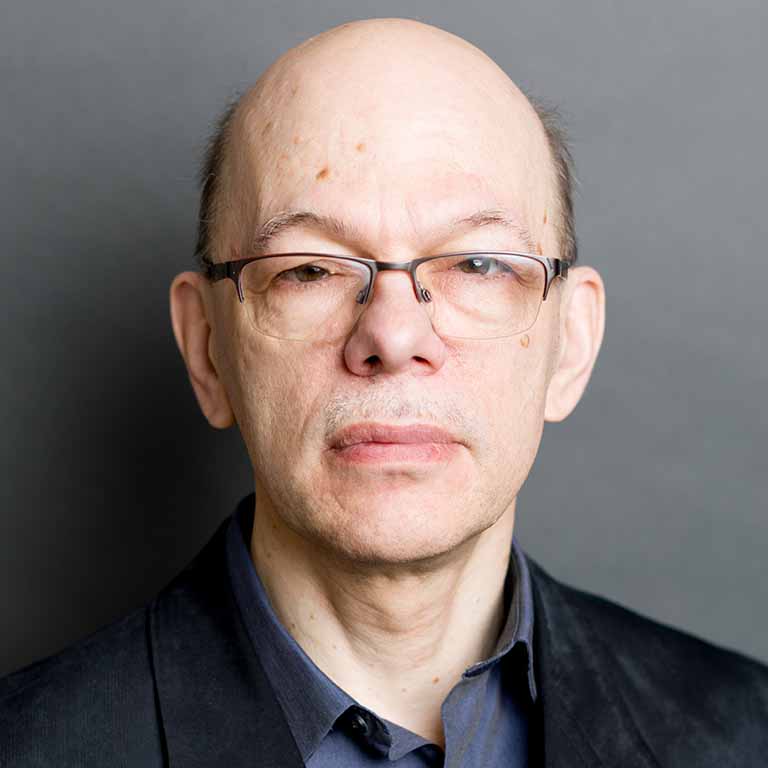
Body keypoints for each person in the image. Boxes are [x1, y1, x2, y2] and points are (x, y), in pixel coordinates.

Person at [2, 16, 767, 767]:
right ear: (207, 347)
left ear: (571, 343)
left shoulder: (746, 735)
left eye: (477, 263)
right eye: (309, 269)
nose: (394, 336)